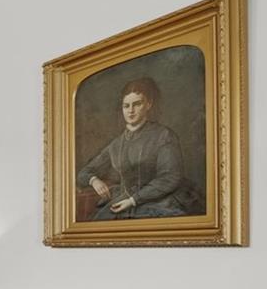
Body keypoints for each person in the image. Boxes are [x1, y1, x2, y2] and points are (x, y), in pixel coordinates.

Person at [76, 77, 202, 220]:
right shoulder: (116, 145)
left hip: (160, 201)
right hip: (123, 200)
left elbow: (170, 177)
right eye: (126, 106)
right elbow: (84, 173)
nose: (131, 111)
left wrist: (133, 200)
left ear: (148, 104)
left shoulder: (164, 135)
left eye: (137, 104)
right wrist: (94, 180)